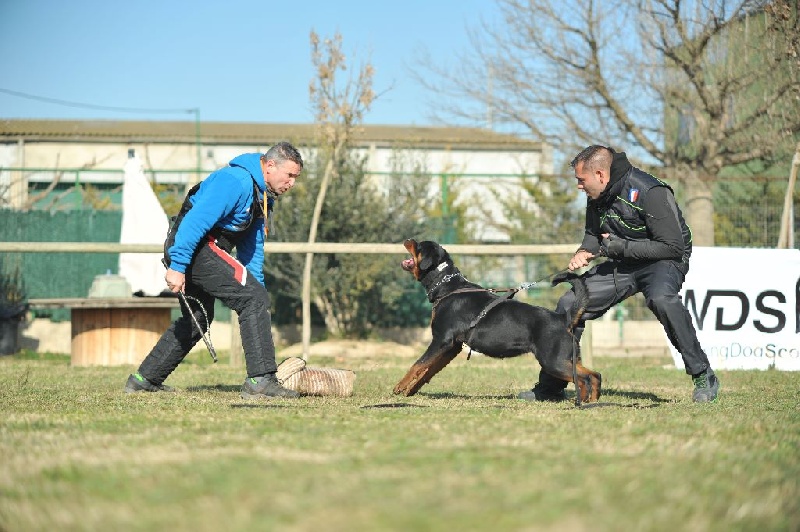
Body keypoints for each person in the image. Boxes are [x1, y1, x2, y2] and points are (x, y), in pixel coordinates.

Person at [519, 145, 720, 403]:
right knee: (570, 303)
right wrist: (584, 250)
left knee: (661, 299)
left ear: (601, 175)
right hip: (623, 260)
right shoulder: (596, 194)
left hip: (664, 260)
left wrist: (619, 246)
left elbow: (673, 246)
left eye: (582, 180)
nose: (579, 186)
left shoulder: (651, 191)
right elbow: (594, 234)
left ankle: (703, 375)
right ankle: (552, 385)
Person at [125, 141, 304, 399]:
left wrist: (256, 287)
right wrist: (178, 266)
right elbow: (194, 223)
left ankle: (144, 380)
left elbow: (251, 250)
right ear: (270, 165)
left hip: (204, 251)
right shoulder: (235, 181)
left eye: (295, 178)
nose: (292, 183)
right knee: (251, 299)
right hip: (192, 247)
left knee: (199, 317)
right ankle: (261, 381)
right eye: (289, 176)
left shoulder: (262, 197)